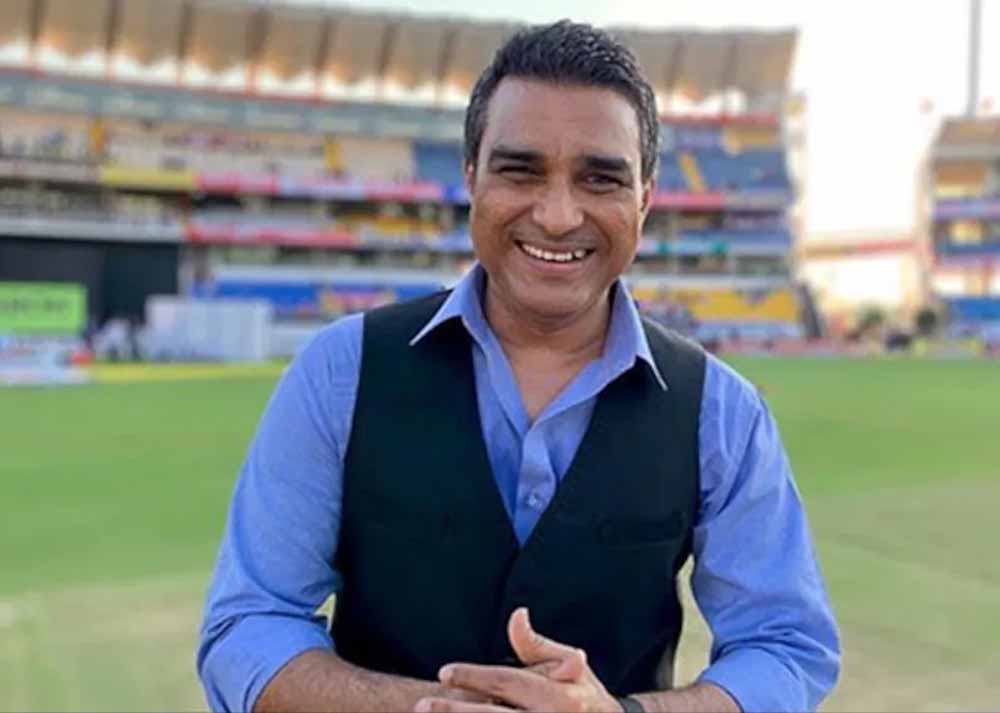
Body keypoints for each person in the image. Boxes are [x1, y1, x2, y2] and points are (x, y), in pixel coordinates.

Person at [198, 20, 840, 713]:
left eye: (600, 178)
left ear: (645, 198)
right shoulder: (339, 372)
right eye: (520, 170)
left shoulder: (720, 411)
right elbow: (247, 628)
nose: (558, 215)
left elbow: (785, 647)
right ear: (471, 177)